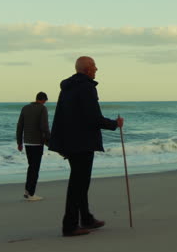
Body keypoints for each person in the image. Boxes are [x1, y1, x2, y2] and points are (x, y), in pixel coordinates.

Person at [47, 56, 123, 237]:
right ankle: (70, 225)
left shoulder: (68, 87)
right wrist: (114, 124)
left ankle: (86, 218)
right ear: (87, 69)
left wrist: (58, 141)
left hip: (69, 141)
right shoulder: (86, 87)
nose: (96, 69)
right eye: (94, 66)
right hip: (82, 142)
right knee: (78, 184)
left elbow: (62, 115)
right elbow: (93, 117)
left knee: (80, 182)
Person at [16, 91, 51, 201]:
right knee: (35, 169)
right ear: (43, 100)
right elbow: (44, 126)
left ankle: (27, 191)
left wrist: (19, 142)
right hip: (37, 142)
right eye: (45, 101)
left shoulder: (25, 108)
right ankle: (31, 194)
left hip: (27, 142)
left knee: (31, 167)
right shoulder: (42, 108)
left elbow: (20, 125)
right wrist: (50, 140)